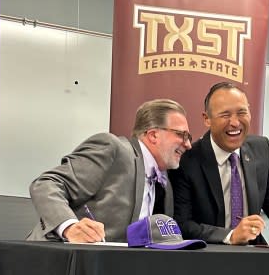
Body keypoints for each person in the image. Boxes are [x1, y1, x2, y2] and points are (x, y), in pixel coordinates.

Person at [27, 99, 192, 243]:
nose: (188, 144)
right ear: (153, 135)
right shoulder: (113, 148)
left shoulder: (165, 184)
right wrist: (69, 227)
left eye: (188, 138)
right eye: (181, 135)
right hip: (60, 263)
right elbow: (47, 184)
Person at [170, 82, 269, 246]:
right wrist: (231, 236)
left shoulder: (262, 149)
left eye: (242, 112)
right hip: (207, 255)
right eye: (225, 115)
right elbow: (181, 224)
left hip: (254, 253)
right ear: (207, 119)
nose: (235, 123)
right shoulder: (187, 159)